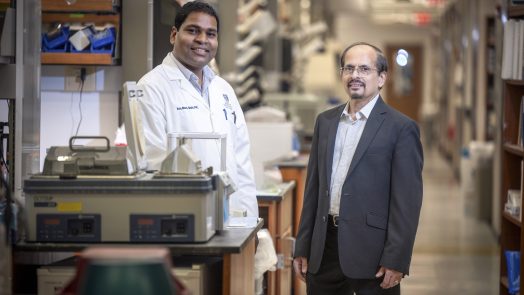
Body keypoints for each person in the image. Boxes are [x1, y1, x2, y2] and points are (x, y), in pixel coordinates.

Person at [293, 42, 423, 295]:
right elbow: (313, 191)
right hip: (325, 249)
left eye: (365, 69)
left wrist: (397, 258)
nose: (355, 75)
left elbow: (407, 202)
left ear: (382, 77)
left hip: (373, 254)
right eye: (349, 68)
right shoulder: (326, 122)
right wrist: (303, 246)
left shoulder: (401, 128)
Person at [136, 1, 258, 218]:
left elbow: (242, 163)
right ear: (174, 35)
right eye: (193, 31)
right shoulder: (151, 87)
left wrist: (250, 222)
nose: (202, 40)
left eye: (211, 34)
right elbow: (150, 164)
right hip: (183, 218)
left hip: (233, 219)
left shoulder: (223, 90)